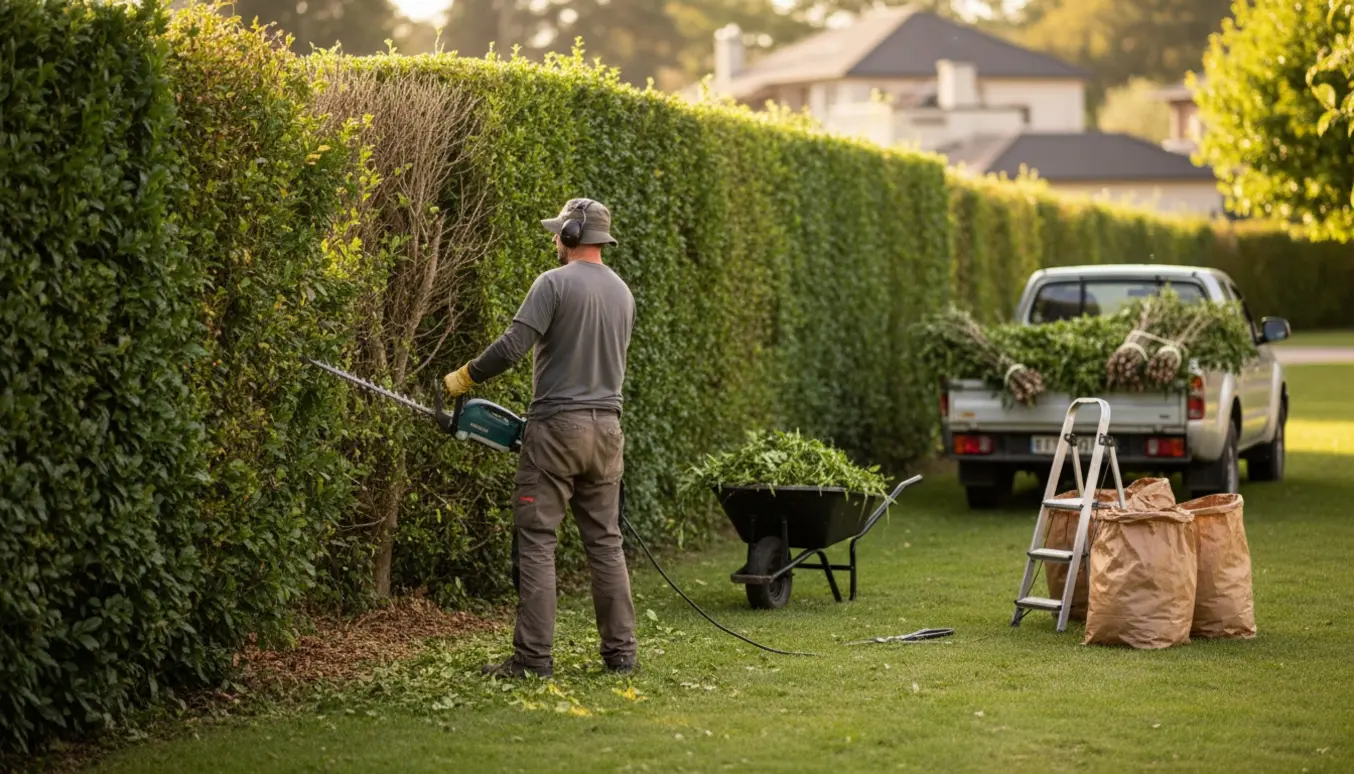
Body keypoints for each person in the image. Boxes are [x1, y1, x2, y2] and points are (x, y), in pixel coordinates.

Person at [443, 198, 638, 678]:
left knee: (536, 540)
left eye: (558, 232)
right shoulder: (623, 293)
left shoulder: (552, 283)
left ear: (572, 235)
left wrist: (465, 377)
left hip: (556, 430)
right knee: (606, 544)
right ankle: (622, 655)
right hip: (608, 431)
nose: (554, 238)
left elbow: (512, 346)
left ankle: (532, 660)